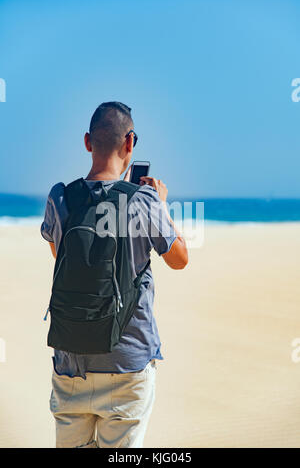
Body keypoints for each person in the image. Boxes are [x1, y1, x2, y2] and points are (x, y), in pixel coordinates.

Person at [41, 101, 188, 448]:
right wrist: (161, 203)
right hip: (127, 364)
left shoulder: (61, 197)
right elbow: (179, 259)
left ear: (88, 142)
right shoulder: (143, 201)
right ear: (130, 143)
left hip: (70, 362)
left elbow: (59, 256)